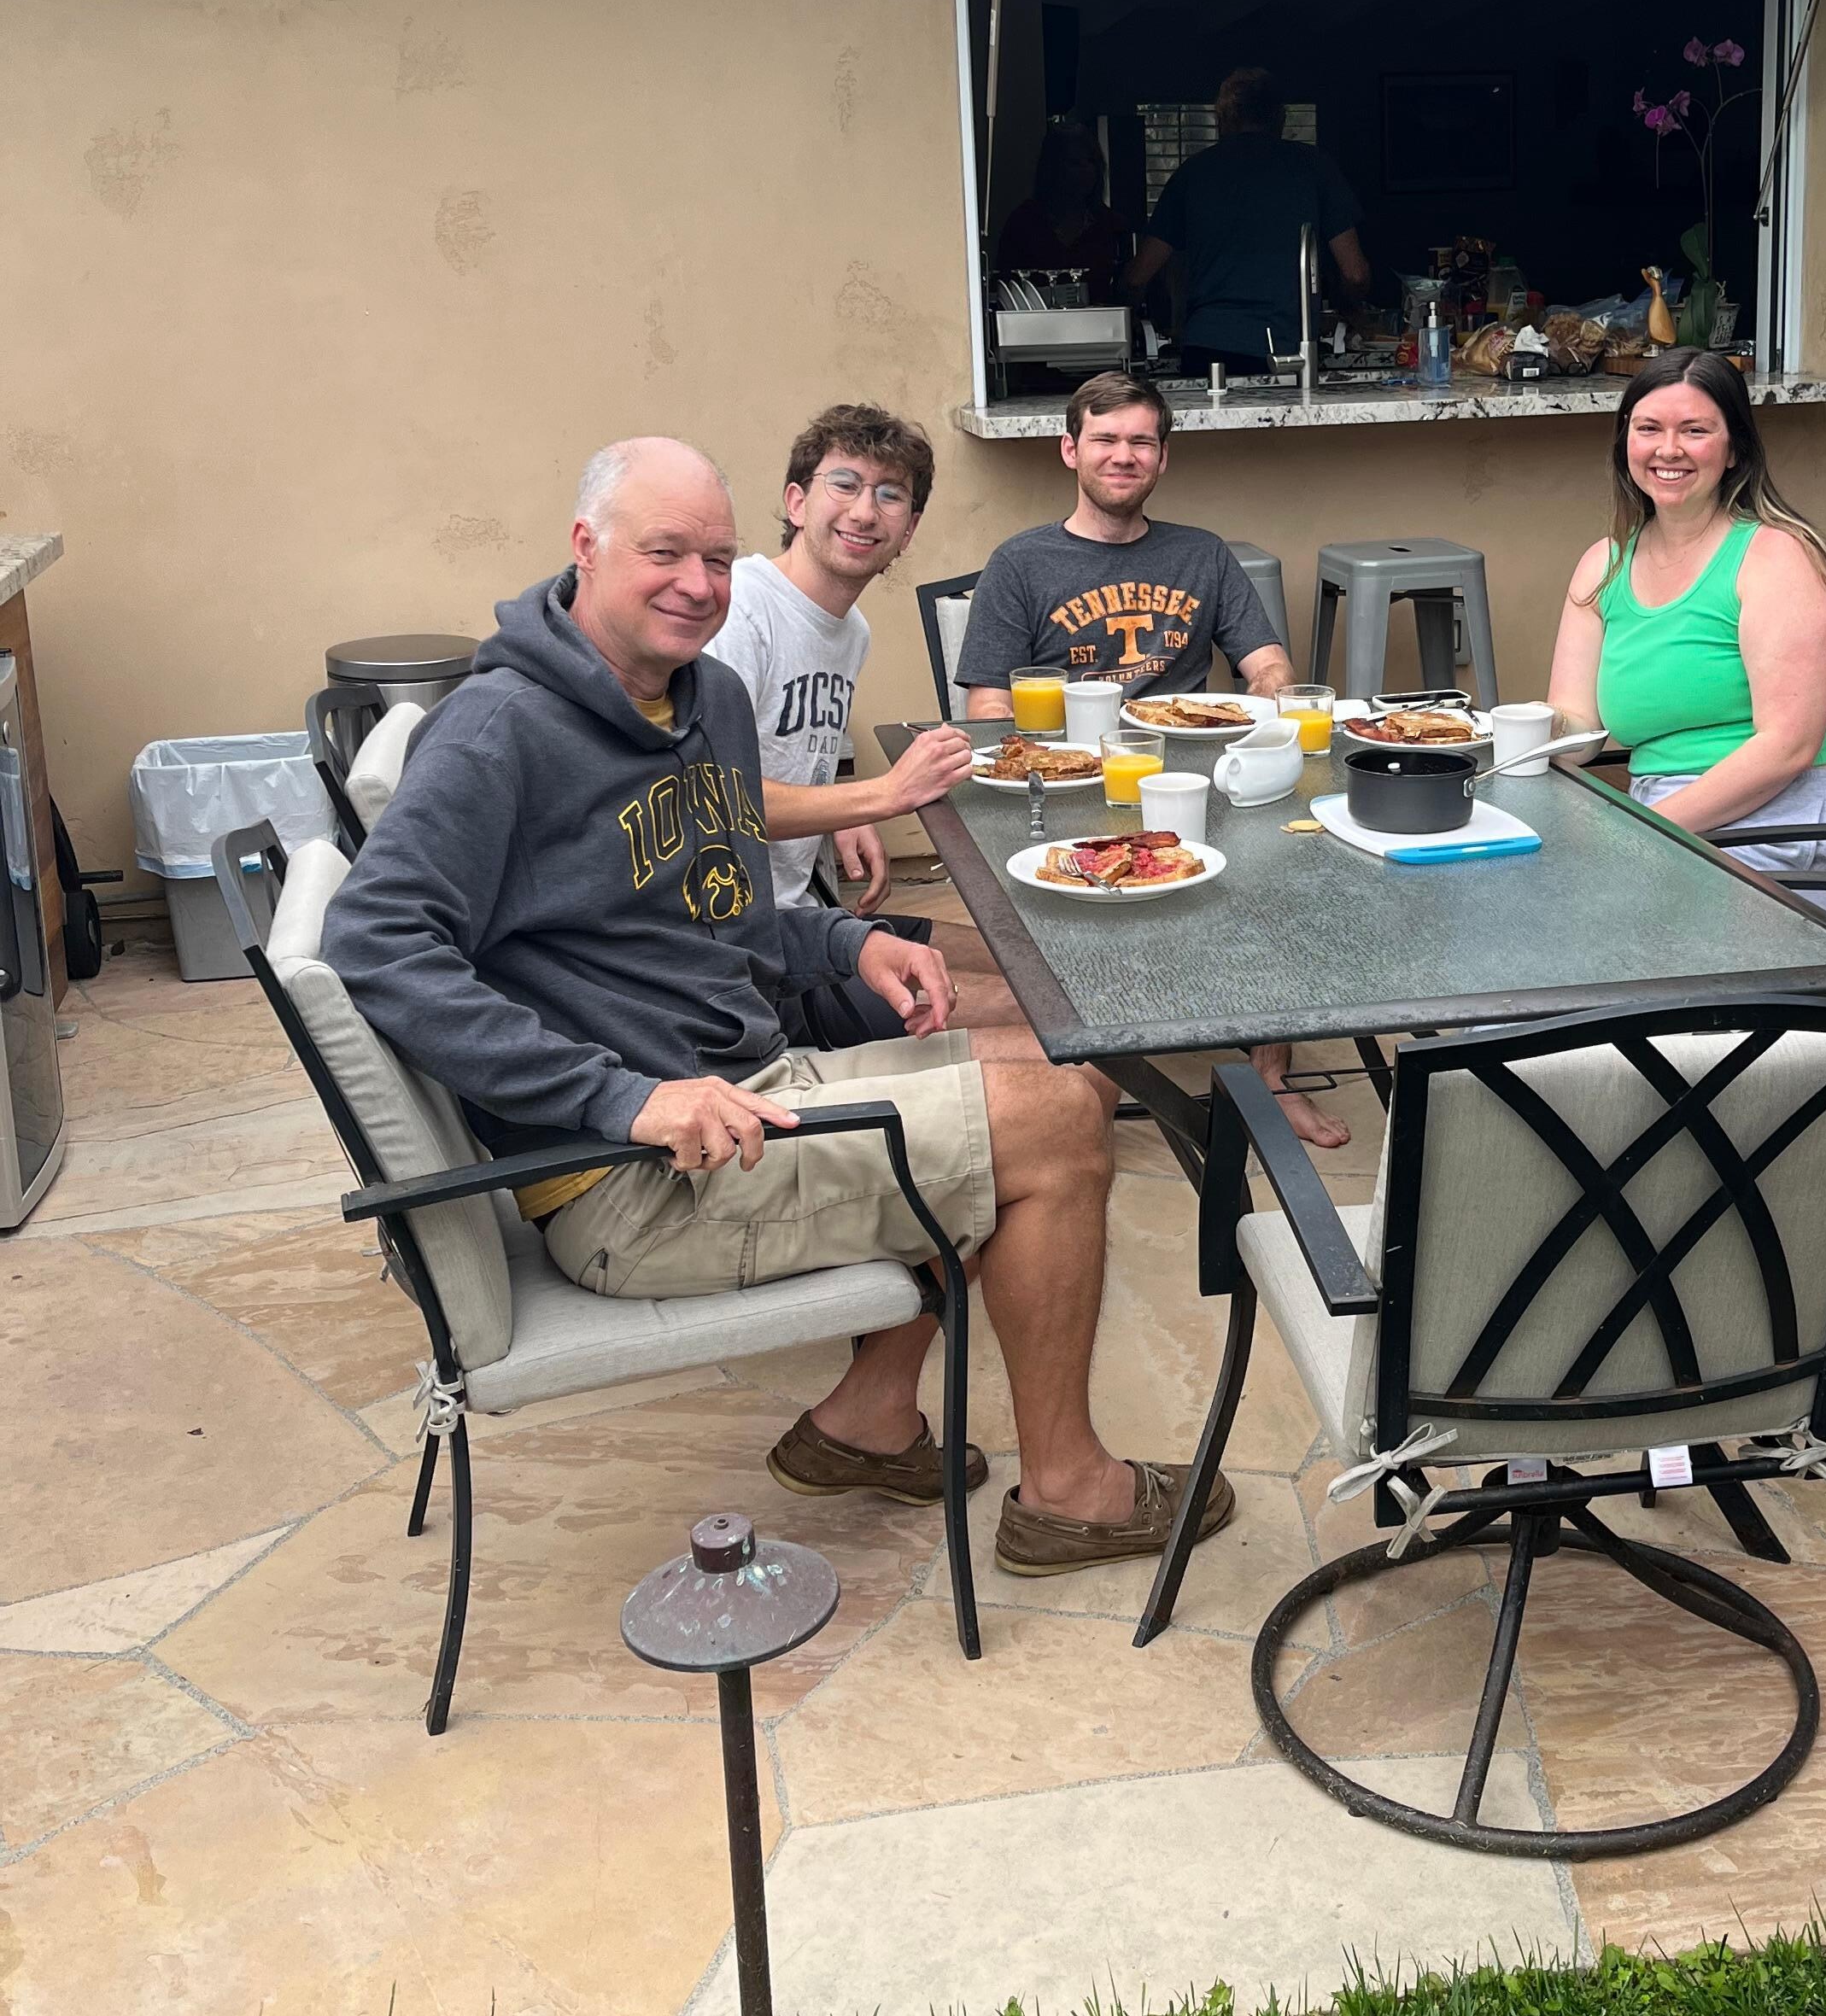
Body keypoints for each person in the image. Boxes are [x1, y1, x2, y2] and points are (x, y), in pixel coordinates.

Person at [320, 434, 1232, 1570]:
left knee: (1061, 1071)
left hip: (753, 1089)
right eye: (664, 553)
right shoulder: (500, 729)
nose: (697, 585)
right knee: (1045, 1123)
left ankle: (868, 1420)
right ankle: (1068, 1493)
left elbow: (719, 907)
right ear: (585, 547)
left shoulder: (702, 695)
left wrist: (851, 944)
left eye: (717, 558)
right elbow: (374, 940)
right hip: (638, 1178)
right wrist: (622, 1099)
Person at [954, 371, 1347, 1149]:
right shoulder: (1021, 562)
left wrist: (1270, 701)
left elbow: (1267, 663)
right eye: (1104, 439)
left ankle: (1270, 1080)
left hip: (1190, 775)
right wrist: (1050, 771)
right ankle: (1095, 1062)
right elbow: (988, 709)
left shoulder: (1202, 554)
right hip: (1072, 783)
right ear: (1070, 450)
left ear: (1163, 458)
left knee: (1283, 868)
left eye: (1141, 441)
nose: (1123, 456)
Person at [701, 402, 1048, 1066]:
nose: (865, 512)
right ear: (796, 502)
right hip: (747, 954)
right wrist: (883, 795)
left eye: (890, 495)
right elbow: (712, 803)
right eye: (845, 484)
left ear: (909, 530)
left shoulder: (849, 632)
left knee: (1031, 958)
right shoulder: (741, 612)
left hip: (811, 914)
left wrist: (841, 806)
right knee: (1047, 1012)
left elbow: (785, 745)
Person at [1548, 348, 1826, 926]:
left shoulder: (1777, 559)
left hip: (1783, 831)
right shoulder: (1604, 567)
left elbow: (1787, 749)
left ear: (1735, 448)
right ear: (1626, 442)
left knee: (1568, 931)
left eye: (1695, 431)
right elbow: (1576, 734)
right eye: (1649, 428)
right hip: (1668, 827)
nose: (1668, 449)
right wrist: (1506, 730)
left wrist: (1639, 833)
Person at [1124, 65, 1369, 372]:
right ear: (1280, 118)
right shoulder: (1314, 168)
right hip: (1286, 348)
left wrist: (1129, 320)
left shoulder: (1194, 173)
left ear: (1223, 119)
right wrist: (1350, 310)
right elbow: (1355, 273)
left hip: (1207, 344)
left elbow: (1137, 277)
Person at [993, 115, 1125, 294]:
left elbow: (1123, 291)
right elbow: (1005, 289)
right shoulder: (1024, 223)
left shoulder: (1111, 225)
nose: (1086, 170)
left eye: (1091, 161)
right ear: (1053, 168)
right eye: (1074, 163)